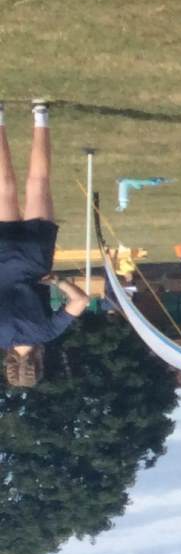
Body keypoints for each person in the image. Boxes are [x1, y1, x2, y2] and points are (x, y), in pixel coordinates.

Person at [2, 101, 87, 388]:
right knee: (4, 185)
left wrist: (59, 282)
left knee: (38, 182)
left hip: (36, 258)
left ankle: (40, 114)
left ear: (38, 364)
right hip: (2, 255)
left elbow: (80, 301)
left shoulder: (47, 333)